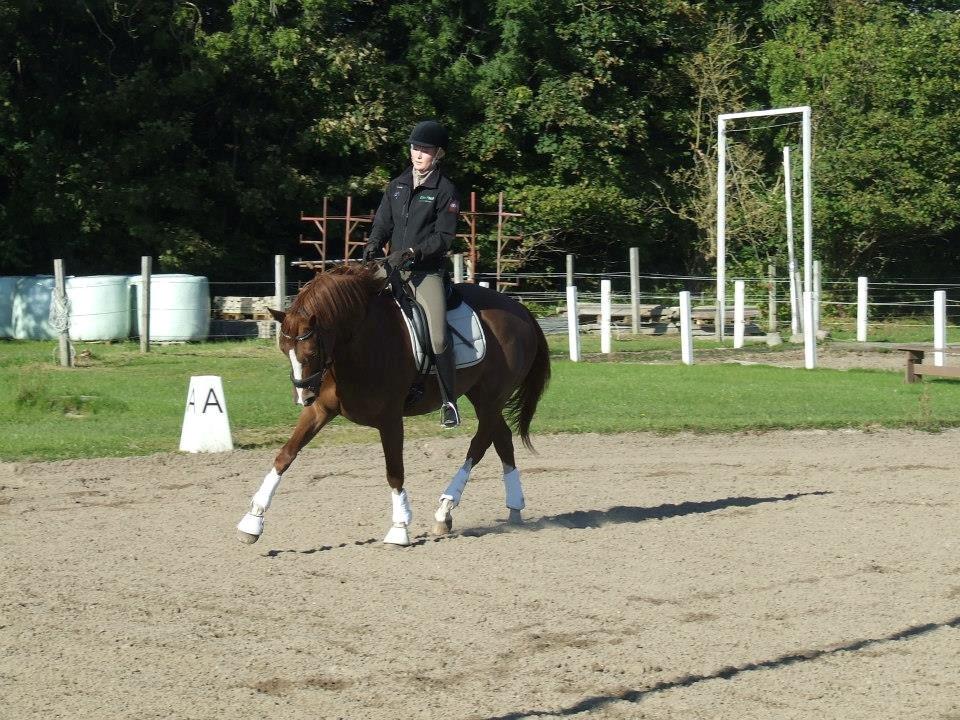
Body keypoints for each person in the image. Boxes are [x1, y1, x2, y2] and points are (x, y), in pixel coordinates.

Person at [363, 120, 462, 428]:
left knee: (438, 336)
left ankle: (449, 401)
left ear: (439, 154)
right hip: (392, 268)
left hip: (425, 274)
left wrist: (413, 252)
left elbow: (443, 238)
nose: (418, 154)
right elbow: (382, 223)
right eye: (415, 148)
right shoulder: (397, 185)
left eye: (425, 150)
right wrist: (372, 245)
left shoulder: (445, 191)